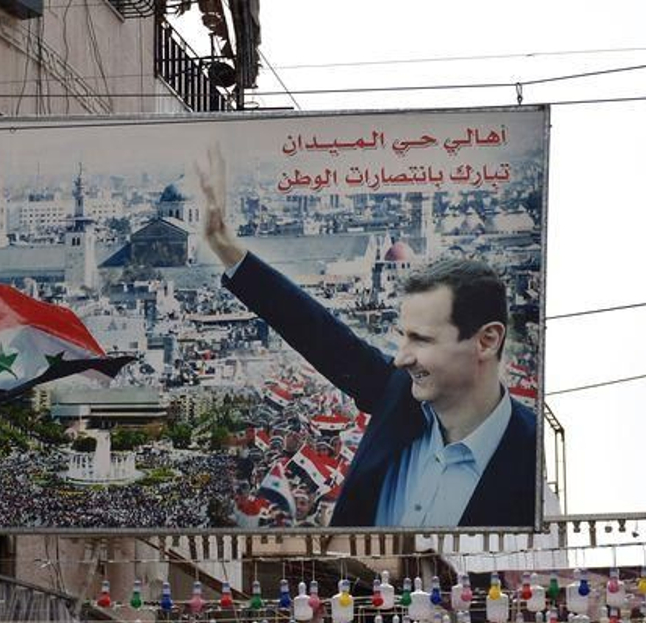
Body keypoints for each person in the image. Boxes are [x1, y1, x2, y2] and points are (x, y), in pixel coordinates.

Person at [196, 148, 536, 528]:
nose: (402, 358)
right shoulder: (399, 399)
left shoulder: (526, 458)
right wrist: (225, 247)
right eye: (403, 338)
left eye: (422, 341)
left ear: (486, 341)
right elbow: (317, 331)